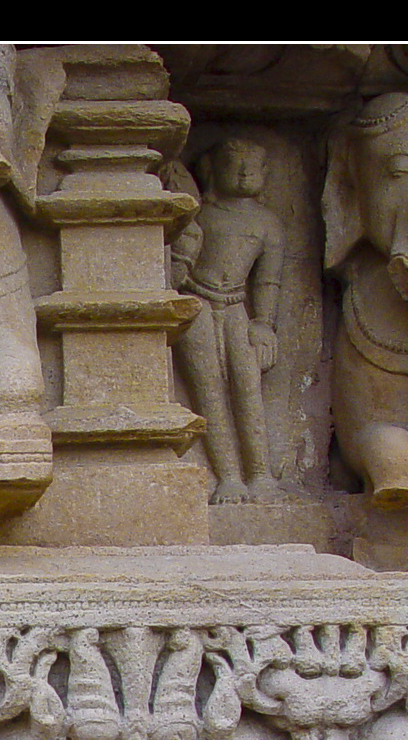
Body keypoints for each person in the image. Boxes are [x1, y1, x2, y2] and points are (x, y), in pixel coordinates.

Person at [170, 139, 285, 504]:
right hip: (197, 301)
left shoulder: (267, 224)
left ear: (265, 173)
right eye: (233, 164)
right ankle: (229, 477)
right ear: (211, 169)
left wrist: (264, 322)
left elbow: (267, 280)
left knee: (248, 388)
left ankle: (260, 474)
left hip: (237, 307)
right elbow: (176, 265)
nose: (244, 172)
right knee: (208, 390)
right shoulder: (200, 215)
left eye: (253, 165)